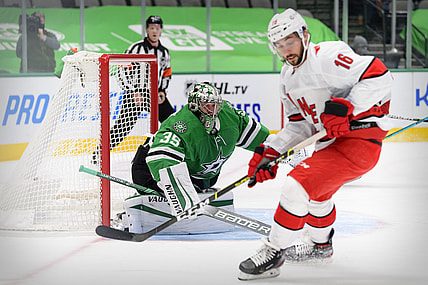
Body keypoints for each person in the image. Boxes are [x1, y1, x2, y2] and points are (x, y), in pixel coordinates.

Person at [238, 8, 393, 281]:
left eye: (290, 41)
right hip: (329, 144)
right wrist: (272, 151)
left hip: (359, 141)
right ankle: (321, 246)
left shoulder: (327, 56)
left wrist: (350, 108)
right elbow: (300, 125)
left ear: (304, 35)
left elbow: (379, 75)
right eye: (279, 44)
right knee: (317, 196)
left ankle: (274, 251)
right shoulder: (287, 78)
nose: (286, 49)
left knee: (296, 186)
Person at [119, 82, 271, 234]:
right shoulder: (181, 125)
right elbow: (161, 158)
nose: (213, 110)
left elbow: (262, 139)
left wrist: (282, 152)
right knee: (166, 195)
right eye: (207, 105)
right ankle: (130, 215)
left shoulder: (229, 116)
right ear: (194, 105)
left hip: (197, 174)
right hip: (148, 168)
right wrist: (183, 199)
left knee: (195, 190)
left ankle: (186, 192)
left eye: (215, 105)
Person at [92, 15, 175, 164]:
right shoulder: (136, 48)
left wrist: (162, 90)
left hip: (155, 94)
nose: (154, 31)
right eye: (151, 28)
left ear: (161, 30)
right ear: (147, 30)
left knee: (172, 121)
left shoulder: (164, 52)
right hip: (135, 93)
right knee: (122, 128)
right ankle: (99, 153)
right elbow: (121, 70)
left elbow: (166, 72)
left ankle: (174, 152)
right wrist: (132, 91)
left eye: (157, 28)